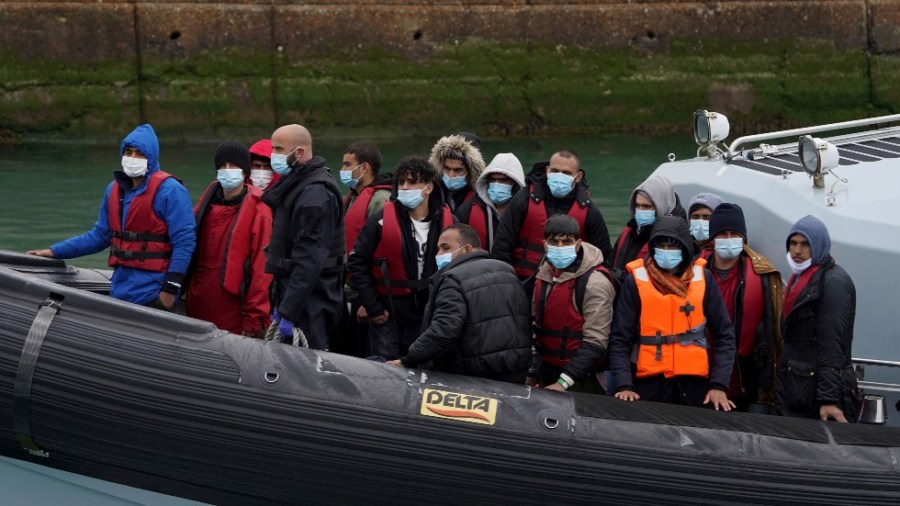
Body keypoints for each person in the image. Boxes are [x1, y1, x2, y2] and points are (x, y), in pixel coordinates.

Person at [27, 124, 195, 310]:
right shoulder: (114, 190)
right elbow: (99, 236)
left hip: (153, 292)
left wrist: (169, 291)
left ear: (151, 156)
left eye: (139, 153)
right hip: (121, 289)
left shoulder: (171, 191)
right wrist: (55, 251)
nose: (132, 158)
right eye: (128, 152)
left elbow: (184, 243)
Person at [609, 216, 736, 411]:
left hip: (695, 386)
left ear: (685, 248)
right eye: (662, 246)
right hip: (648, 385)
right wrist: (624, 384)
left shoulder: (704, 279)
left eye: (673, 246)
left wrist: (719, 384)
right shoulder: (635, 281)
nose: (666, 252)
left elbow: (725, 335)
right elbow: (620, 338)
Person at [389, 224, 532, 383]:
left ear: (467, 249)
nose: (439, 254)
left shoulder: (453, 278)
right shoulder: (508, 272)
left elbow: (443, 329)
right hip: (514, 373)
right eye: (438, 249)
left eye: (445, 247)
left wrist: (409, 359)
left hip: (472, 378)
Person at [347, 157, 455, 361]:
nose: (405, 187)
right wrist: (373, 306)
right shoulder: (379, 220)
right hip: (388, 312)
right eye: (401, 182)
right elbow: (357, 261)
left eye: (412, 182)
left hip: (428, 312)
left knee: (426, 366)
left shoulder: (448, 222)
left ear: (429, 187)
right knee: (385, 370)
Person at [262, 124, 344, 350]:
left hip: (312, 301)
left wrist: (289, 310)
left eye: (279, 149)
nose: (273, 155)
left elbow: (309, 259)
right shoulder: (296, 184)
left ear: (298, 152)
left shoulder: (315, 194)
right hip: (292, 292)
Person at [777, 215, 860, 423]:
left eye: (805, 244)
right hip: (798, 387)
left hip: (816, 394)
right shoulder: (801, 278)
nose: (797, 250)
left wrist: (829, 399)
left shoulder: (833, 283)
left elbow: (832, 344)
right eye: (793, 243)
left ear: (819, 246)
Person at [185, 141, 273, 337]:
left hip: (233, 306)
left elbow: (261, 269)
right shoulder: (204, 205)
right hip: (197, 297)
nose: (227, 170)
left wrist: (254, 316)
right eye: (222, 166)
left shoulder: (260, 211)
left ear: (244, 171)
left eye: (234, 166)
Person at [491, 150, 612, 291]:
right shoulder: (523, 199)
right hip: (521, 282)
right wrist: (505, 282)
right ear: (547, 170)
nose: (559, 176)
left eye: (566, 173)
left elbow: (603, 256)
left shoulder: (589, 210)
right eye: (555, 171)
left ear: (578, 177)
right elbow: (502, 244)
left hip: (569, 287)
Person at [701, 204, 782, 411]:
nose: (728, 239)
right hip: (699, 375)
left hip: (744, 379)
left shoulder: (763, 276)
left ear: (743, 238)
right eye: (722, 234)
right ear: (712, 239)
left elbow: (774, 332)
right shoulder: (694, 272)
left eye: (734, 234)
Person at [528, 215, 617, 393]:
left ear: (577, 244)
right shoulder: (543, 274)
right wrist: (533, 371)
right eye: (554, 242)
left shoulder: (595, 283)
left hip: (583, 377)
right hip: (547, 370)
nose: (560, 247)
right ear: (545, 244)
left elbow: (596, 341)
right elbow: (535, 327)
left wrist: (563, 382)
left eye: (567, 241)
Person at [335, 139, 393, 356]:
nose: (342, 170)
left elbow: (381, 255)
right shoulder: (351, 199)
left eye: (347, 165)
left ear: (365, 167)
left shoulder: (380, 200)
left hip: (366, 295)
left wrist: (371, 302)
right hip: (348, 291)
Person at [608, 175, 686, 283]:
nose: (640, 210)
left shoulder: (677, 237)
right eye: (637, 205)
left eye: (646, 206)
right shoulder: (630, 231)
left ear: (661, 206)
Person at [458, 152, 526, 251]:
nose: (497, 184)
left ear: (515, 183)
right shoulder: (466, 211)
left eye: (503, 180)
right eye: (493, 180)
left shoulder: (526, 211)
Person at [430, 133, 485, 213]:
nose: (451, 175)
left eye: (458, 170)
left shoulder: (482, 199)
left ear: (471, 171)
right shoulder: (431, 191)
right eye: (447, 168)